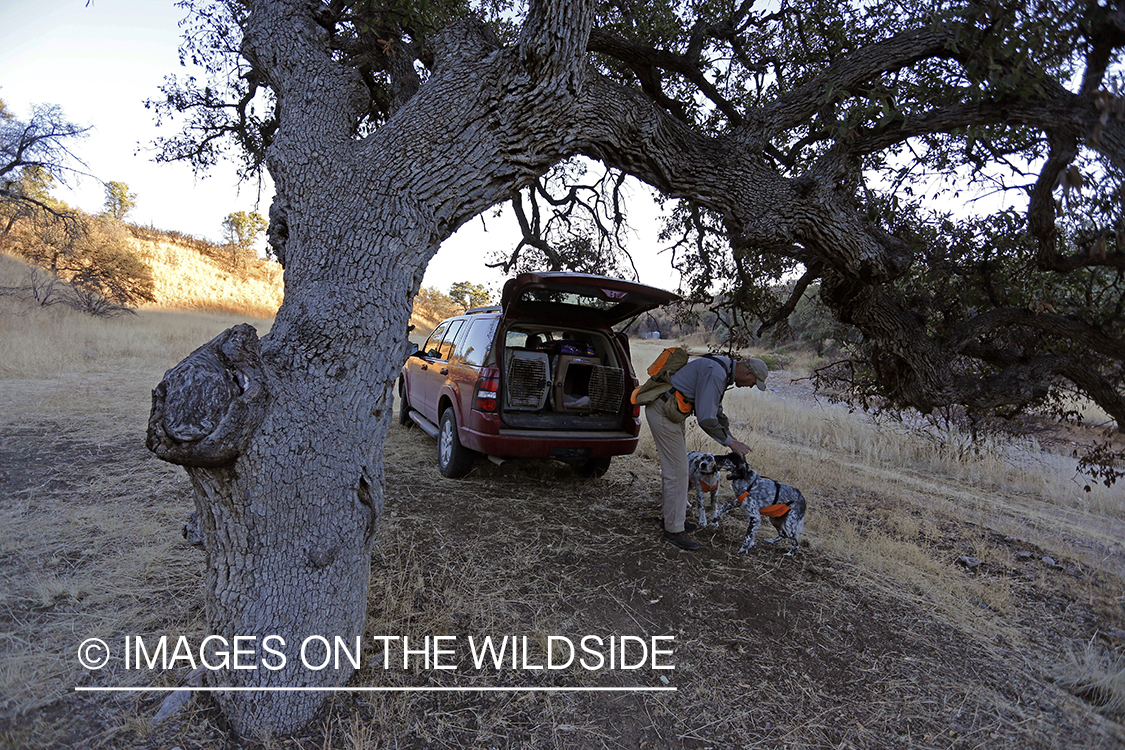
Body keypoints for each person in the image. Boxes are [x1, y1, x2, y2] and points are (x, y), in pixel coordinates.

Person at [645, 355, 769, 551]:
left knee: (678, 470)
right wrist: (730, 442)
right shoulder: (716, 372)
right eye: (754, 382)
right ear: (747, 373)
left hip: (671, 412)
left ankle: (673, 520)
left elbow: (716, 412)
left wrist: (732, 440)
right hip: (663, 412)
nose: (752, 386)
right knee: (677, 472)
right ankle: (673, 531)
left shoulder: (722, 369)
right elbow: (706, 418)